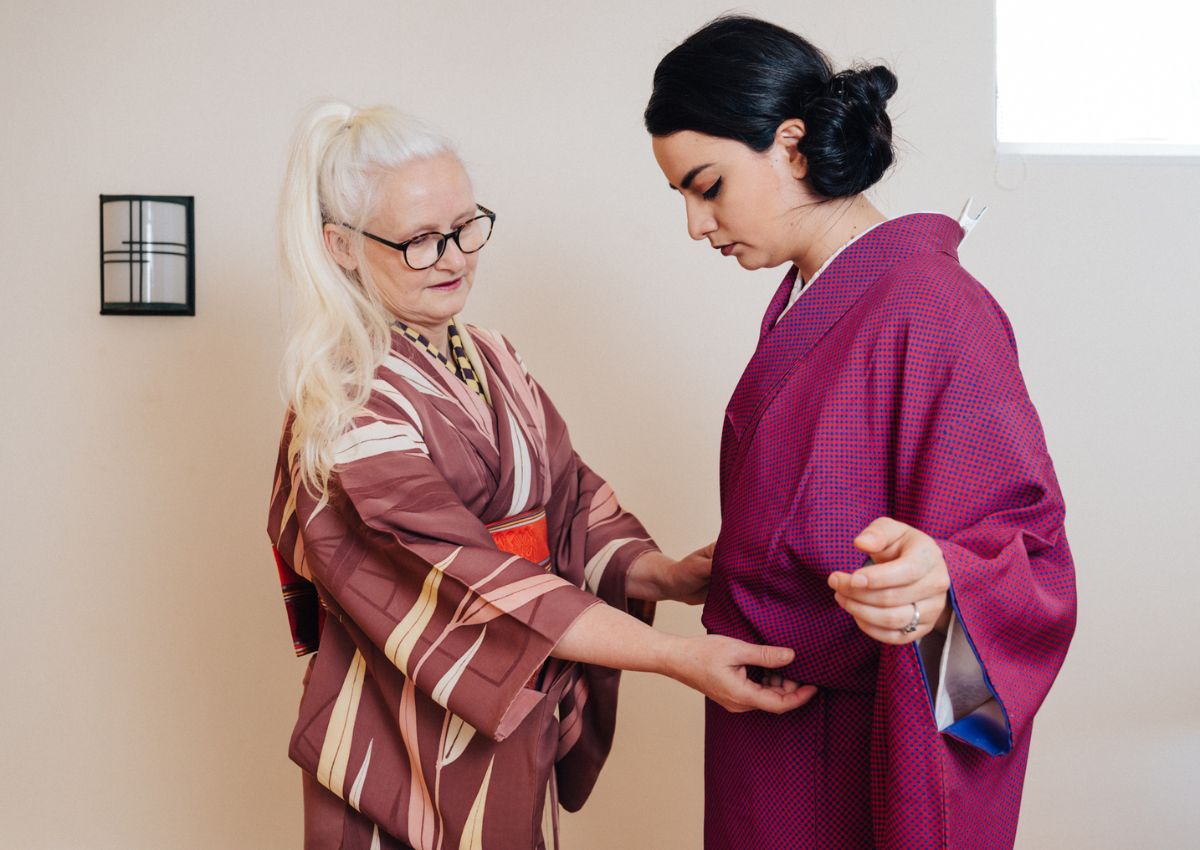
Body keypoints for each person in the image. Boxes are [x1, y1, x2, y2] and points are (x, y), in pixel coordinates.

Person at [267, 99, 938, 850]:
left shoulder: (489, 354)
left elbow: (570, 499)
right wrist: (679, 658)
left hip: (508, 711)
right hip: (399, 731)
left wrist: (665, 575)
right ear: (343, 246)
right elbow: (470, 578)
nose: (456, 257)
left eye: (466, 227)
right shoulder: (348, 405)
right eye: (422, 241)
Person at [644, 15, 1077, 850]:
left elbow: (1026, 544)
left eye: (708, 186)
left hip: (855, 733)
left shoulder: (931, 305)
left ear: (793, 145)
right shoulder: (818, 294)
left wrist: (942, 574)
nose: (697, 226)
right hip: (768, 716)